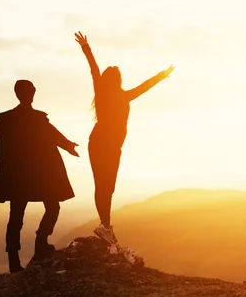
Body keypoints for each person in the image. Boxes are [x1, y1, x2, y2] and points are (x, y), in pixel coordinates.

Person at [0, 79, 79, 273]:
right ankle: (40, 244)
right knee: (50, 208)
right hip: (38, 175)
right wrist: (68, 146)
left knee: (17, 216)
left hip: (19, 177)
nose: (31, 95)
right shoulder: (33, 118)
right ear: (28, 94)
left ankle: (15, 260)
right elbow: (54, 136)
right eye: (30, 92)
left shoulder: (9, 119)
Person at [74, 31, 175, 245]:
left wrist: (86, 48)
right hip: (110, 146)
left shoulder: (102, 93)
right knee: (107, 187)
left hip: (97, 143)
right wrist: (163, 75)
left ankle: (105, 225)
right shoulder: (123, 95)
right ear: (118, 80)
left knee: (101, 186)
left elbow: (94, 69)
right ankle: (106, 226)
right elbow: (145, 86)